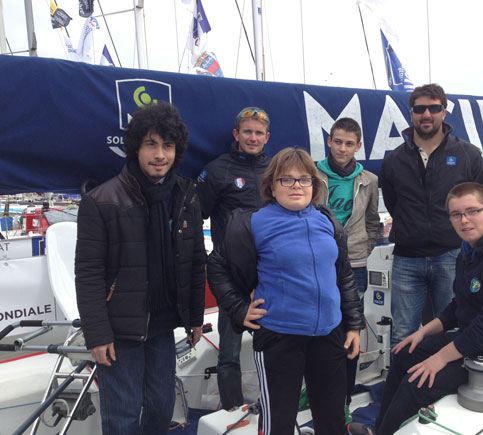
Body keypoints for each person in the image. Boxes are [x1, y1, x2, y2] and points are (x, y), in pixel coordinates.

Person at [207, 147, 365, 435]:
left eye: (304, 179)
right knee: (278, 423)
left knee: (332, 420)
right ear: (271, 185)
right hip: (280, 337)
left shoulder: (327, 219)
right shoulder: (251, 223)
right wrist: (239, 309)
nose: (296, 186)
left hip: (329, 335)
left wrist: (353, 325)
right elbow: (216, 267)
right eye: (286, 180)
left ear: (315, 185)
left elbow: (343, 275)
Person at [374, 182, 483, 435]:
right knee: (404, 356)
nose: (464, 220)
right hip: (482, 343)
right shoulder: (468, 251)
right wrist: (423, 332)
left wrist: (438, 360)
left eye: (472, 211)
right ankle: (382, 429)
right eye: (456, 214)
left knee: (419, 382)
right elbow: (459, 306)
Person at [75, 102, 206, 434]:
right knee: (123, 416)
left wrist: (194, 318)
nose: (160, 154)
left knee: (162, 409)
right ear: (136, 148)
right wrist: (98, 334)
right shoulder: (101, 201)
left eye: (167, 145)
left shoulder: (186, 195)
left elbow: (194, 261)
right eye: (151, 144)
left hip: (163, 326)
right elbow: (88, 273)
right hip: (120, 330)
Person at [379, 83, 483, 346]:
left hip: (452, 256)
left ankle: (443, 386)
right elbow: (392, 203)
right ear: (411, 114)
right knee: (402, 334)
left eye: (433, 108)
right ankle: (402, 385)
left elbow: (482, 201)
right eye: (419, 109)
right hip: (407, 258)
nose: (426, 114)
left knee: (454, 328)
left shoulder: (467, 154)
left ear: (444, 112)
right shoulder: (394, 160)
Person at [196, 106, 272, 411]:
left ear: (267, 137)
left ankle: (272, 406)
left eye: (258, 133)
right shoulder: (216, 171)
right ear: (236, 134)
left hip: (271, 274)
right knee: (227, 353)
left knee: (275, 347)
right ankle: (231, 410)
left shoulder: (277, 169)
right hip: (232, 275)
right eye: (247, 132)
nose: (252, 138)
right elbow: (195, 216)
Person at [316, 117, 380, 422]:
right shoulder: (311, 173)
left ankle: (344, 395)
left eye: (349, 143)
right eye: (337, 141)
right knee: (319, 327)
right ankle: (317, 387)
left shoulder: (369, 179)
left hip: (354, 264)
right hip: (317, 262)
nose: (342, 148)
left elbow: (372, 221)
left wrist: (362, 251)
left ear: (359, 146)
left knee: (349, 329)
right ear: (329, 141)